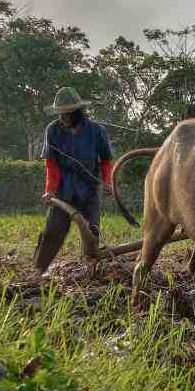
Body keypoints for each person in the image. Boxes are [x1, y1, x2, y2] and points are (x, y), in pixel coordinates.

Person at [33, 86, 114, 274]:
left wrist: (107, 182)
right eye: (60, 114)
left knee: (92, 232)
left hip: (89, 190)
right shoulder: (53, 130)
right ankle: (38, 270)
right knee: (53, 231)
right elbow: (51, 164)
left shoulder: (96, 131)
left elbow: (106, 161)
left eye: (67, 114)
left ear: (78, 113)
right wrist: (50, 190)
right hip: (63, 191)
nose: (62, 118)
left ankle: (92, 270)